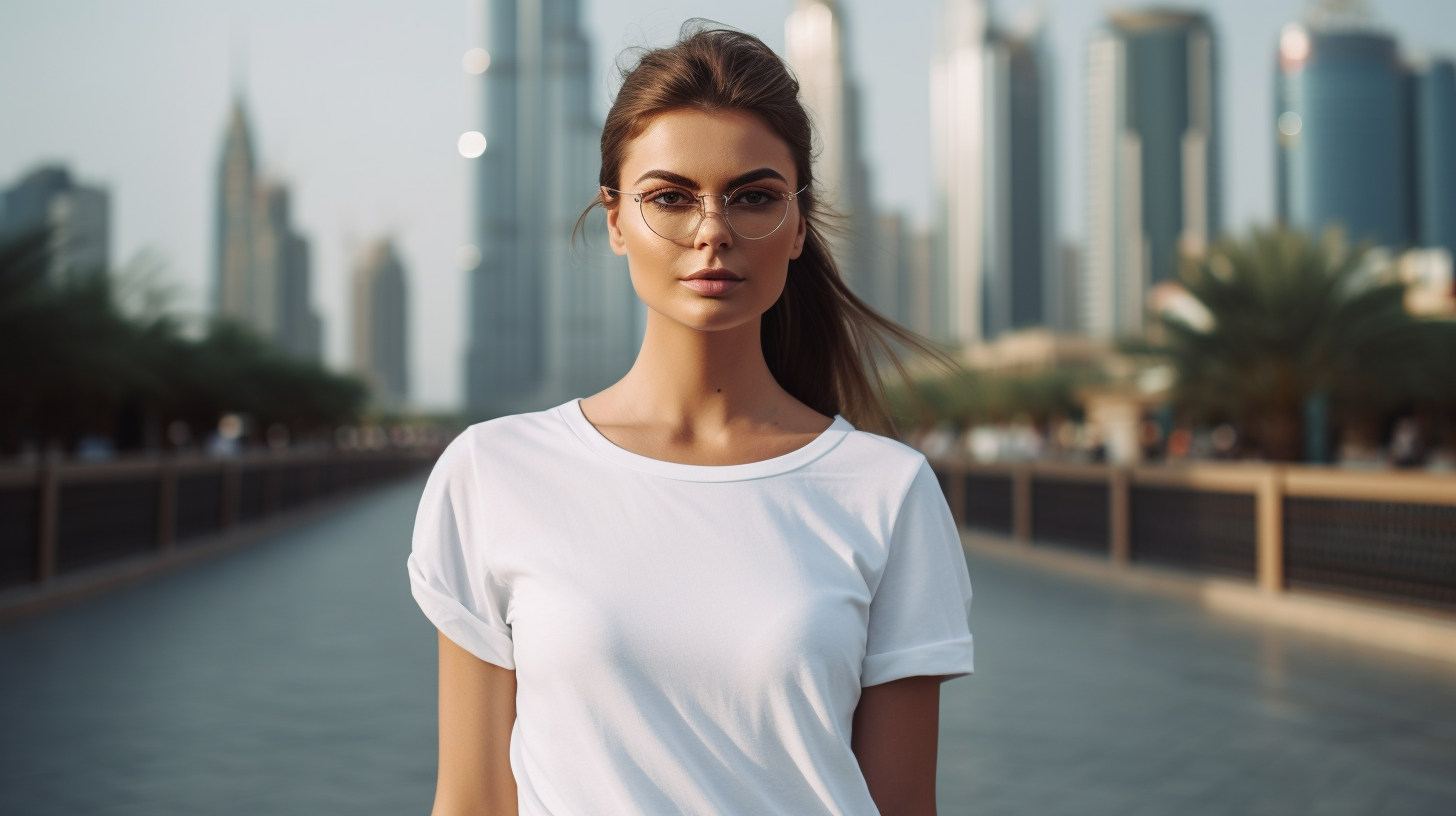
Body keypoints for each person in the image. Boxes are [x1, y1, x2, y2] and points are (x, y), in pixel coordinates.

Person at [408, 25, 974, 816]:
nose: (713, 231)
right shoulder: (495, 471)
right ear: (614, 220)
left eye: (754, 197)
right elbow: (470, 800)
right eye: (670, 198)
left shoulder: (887, 491)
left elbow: (904, 806)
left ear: (799, 224)